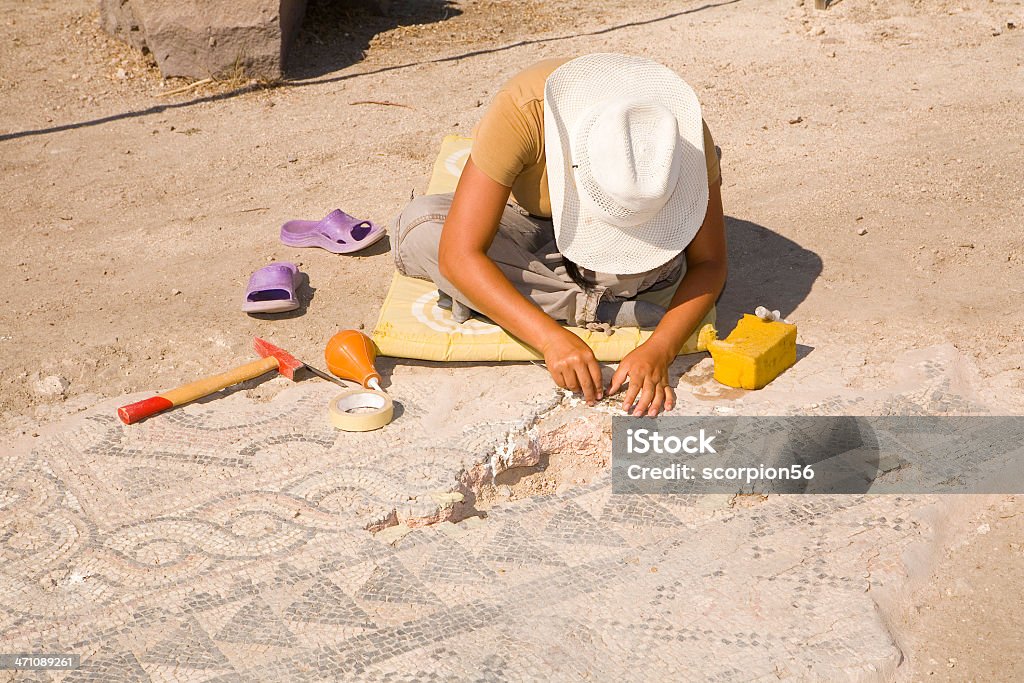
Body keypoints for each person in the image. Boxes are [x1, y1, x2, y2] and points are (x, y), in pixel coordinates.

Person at [392, 53, 726, 417]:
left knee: (639, 269)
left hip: (629, 251)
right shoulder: (525, 110)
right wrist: (549, 339)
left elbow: (710, 262)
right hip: (531, 221)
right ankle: (595, 307)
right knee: (420, 226)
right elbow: (459, 253)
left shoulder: (674, 131)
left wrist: (662, 347)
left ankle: (491, 297)